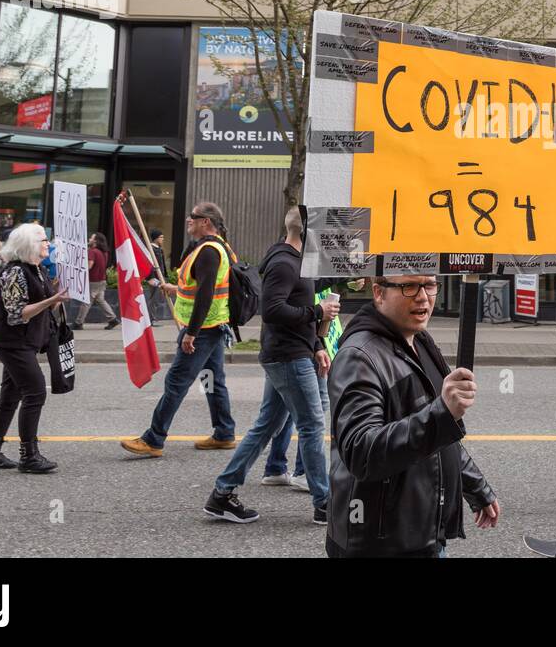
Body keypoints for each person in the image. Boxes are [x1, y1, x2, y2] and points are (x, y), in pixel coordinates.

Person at [326, 274, 499, 557]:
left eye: (429, 285)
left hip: (423, 532)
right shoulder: (360, 356)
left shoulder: (420, 344)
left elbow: (436, 432)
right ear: (379, 292)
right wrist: (443, 413)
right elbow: (362, 452)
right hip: (381, 542)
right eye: (409, 286)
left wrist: (475, 485)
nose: (423, 296)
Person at [204, 208, 335, 525]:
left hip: (294, 352)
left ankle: (222, 495)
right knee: (312, 426)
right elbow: (273, 310)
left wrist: (317, 345)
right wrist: (318, 311)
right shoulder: (284, 263)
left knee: (266, 428)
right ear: (305, 233)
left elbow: (295, 306)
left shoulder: (296, 260)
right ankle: (325, 505)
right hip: (288, 357)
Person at [121, 202, 238, 457]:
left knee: (176, 381)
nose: (188, 220)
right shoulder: (219, 247)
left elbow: (206, 294)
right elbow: (203, 286)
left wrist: (191, 333)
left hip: (203, 330)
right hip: (215, 326)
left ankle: (154, 439)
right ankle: (224, 432)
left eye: (193, 217)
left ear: (205, 221)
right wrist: (178, 290)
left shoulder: (208, 251)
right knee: (212, 381)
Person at [0, 223, 69, 474]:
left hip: (25, 342)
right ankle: (29, 456)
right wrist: (52, 299)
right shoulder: (14, 272)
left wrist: (57, 296)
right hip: (12, 342)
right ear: (29, 244)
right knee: (35, 392)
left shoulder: (37, 269)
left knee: (10, 396)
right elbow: (17, 314)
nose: (48, 244)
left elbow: (44, 307)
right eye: (43, 240)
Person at [263, 277, 364, 490]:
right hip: (300, 342)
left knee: (280, 414)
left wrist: (344, 281)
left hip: (301, 341)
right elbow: (284, 303)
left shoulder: (296, 258)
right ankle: (303, 474)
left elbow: (314, 285)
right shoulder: (295, 259)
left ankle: (275, 467)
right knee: (311, 415)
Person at [73, 233, 120, 331]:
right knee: (100, 300)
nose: (89, 238)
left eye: (91, 238)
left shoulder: (92, 252)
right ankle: (112, 319)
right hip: (101, 280)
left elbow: (89, 265)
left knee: (86, 302)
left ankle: (78, 322)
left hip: (92, 281)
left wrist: (78, 268)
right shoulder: (104, 252)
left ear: (96, 241)